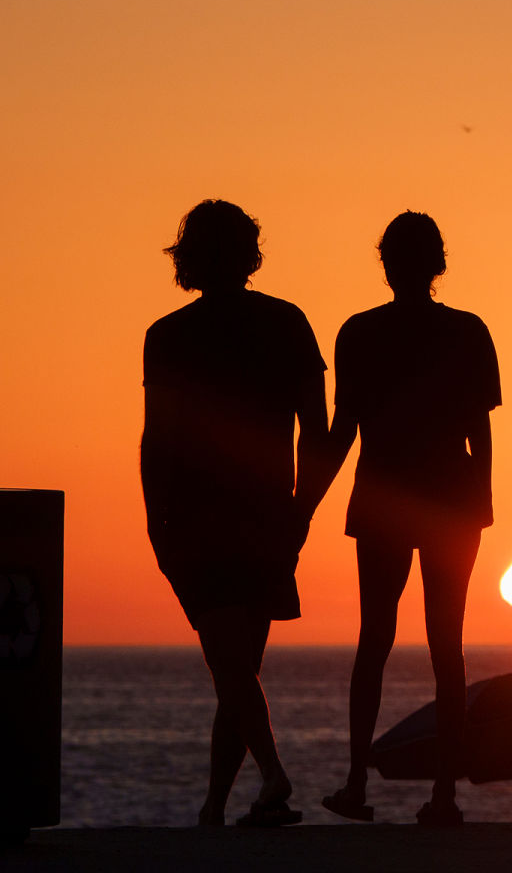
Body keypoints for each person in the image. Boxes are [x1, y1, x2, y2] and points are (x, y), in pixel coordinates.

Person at [308, 212, 500, 827]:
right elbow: (479, 431)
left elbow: (343, 430)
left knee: (376, 640)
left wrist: (306, 501)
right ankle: (443, 795)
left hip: (388, 501)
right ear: (437, 263)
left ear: (387, 264)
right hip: (447, 504)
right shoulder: (467, 331)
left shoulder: (360, 333)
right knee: (446, 645)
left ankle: (357, 783)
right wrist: (483, 502)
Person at [141, 199, 326, 827]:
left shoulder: (170, 334)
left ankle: (270, 777)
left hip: (207, 519)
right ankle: (217, 807)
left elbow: (157, 438)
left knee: (232, 666)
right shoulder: (285, 321)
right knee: (237, 666)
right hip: (260, 516)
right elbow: (315, 433)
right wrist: (301, 512)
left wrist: (155, 520)